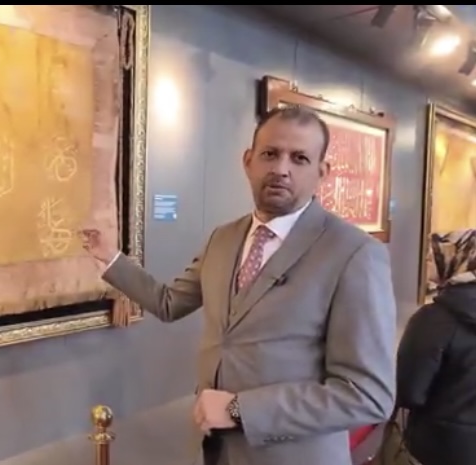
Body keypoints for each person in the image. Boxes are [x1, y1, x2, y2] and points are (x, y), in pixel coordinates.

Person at [80, 105, 396, 465]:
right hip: (217, 450)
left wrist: (239, 408)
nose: (281, 169)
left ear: (321, 172)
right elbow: (169, 303)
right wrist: (111, 259)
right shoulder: (223, 238)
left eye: (300, 158)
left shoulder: (353, 253)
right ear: (248, 161)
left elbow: (367, 396)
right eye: (270, 154)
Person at [396, 229, 476, 465]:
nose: (427, 262)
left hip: (441, 447)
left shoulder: (433, 319)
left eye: (432, 256)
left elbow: (410, 392)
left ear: (456, 259)